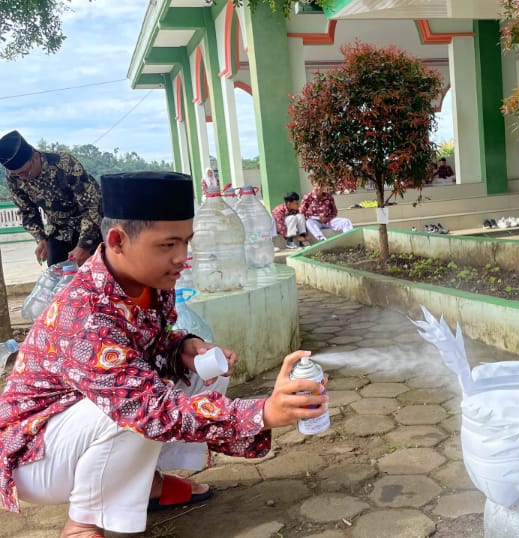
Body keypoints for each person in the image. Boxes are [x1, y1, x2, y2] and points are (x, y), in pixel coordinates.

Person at [0, 171, 328, 538]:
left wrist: (182, 345)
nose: (182, 258)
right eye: (168, 245)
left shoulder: (150, 281)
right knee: (130, 409)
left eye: (186, 242)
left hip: (83, 421)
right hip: (35, 453)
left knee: (204, 369)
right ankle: (83, 522)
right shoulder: (85, 314)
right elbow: (148, 408)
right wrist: (262, 413)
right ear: (117, 240)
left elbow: (147, 343)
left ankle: (146, 484)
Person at [0, 130, 103, 267]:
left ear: (35, 157)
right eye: (18, 174)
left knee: (96, 271)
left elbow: (92, 205)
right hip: (58, 230)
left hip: (89, 226)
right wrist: (40, 238)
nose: (23, 177)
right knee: (56, 273)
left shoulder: (65, 164)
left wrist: (84, 245)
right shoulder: (14, 175)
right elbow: (26, 210)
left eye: (25, 172)